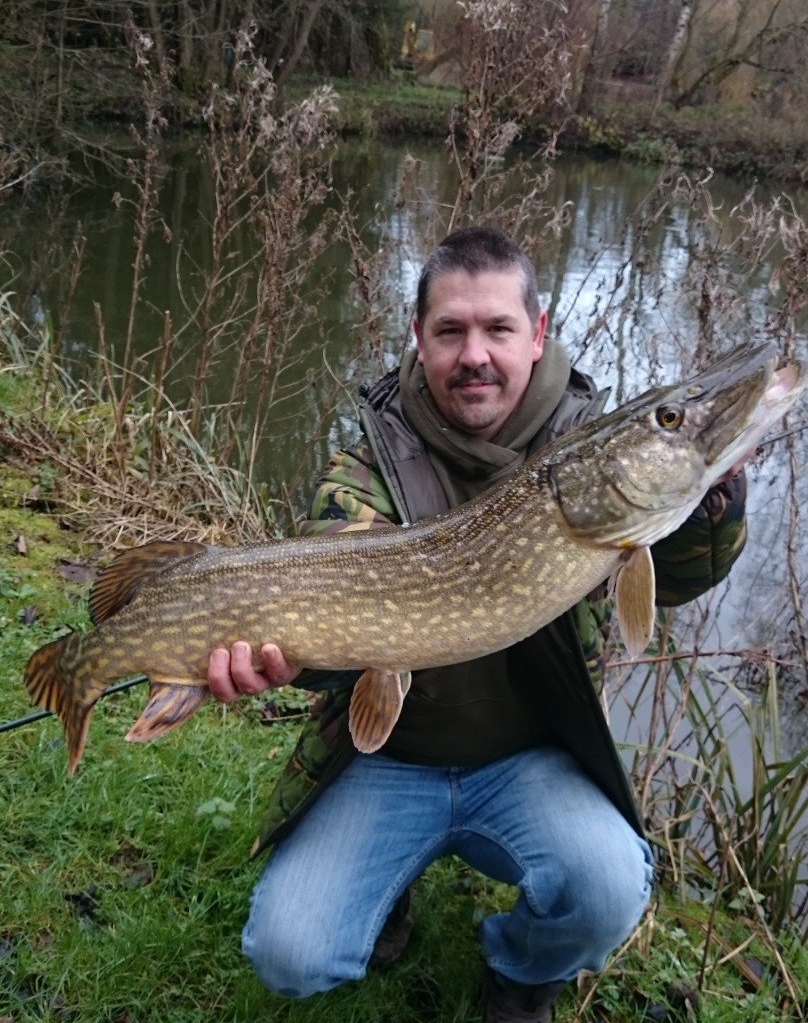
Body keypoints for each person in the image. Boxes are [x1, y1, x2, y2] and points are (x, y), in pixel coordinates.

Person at [208, 227, 747, 1022]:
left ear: (537, 334)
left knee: (605, 888)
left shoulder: (592, 450)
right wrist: (276, 662)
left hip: (530, 763)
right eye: (451, 331)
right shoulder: (365, 467)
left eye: (497, 329)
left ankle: (524, 971)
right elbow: (324, 622)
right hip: (390, 759)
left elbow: (681, 583)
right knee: (291, 952)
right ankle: (381, 890)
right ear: (418, 340)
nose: (475, 355)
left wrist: (716, 499)